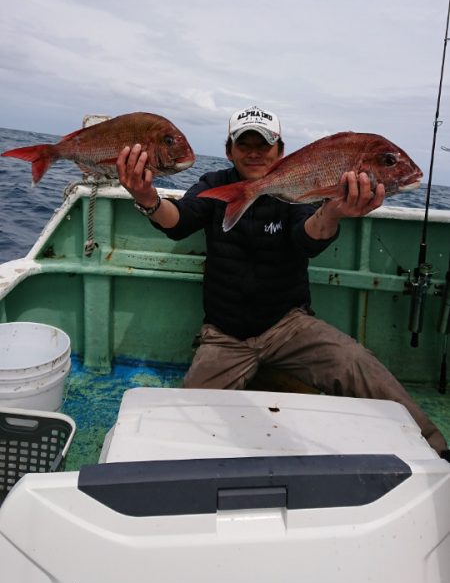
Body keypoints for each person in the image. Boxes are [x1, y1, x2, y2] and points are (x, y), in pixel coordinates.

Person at [117, 105, 448, 457]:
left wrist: (332, 212)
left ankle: (434, 449)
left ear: (280, 150)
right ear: (229, 151)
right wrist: (147, 198)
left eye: (265, 144)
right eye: (244, 144)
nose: (255, 152)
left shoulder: (295, 184)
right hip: (225, 335)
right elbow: (179, 221)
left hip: (289, 325)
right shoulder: (215, 185)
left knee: (355, 362)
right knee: (192, 424)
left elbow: (306, 238)